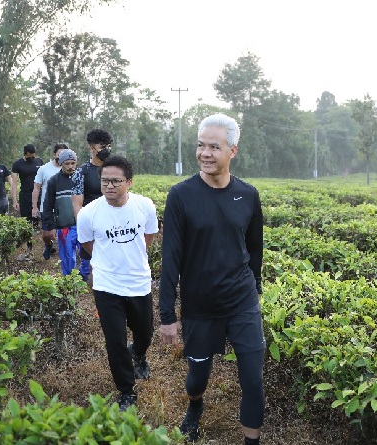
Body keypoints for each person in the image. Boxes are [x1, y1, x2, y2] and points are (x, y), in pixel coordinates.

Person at [158, 113, 265, 444]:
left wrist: (255, 290)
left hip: (241, 302)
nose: (204, 153)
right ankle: (195, 406)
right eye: (200, 145)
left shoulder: (248, 195)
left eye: (213, 147)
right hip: (199, 305)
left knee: (252, 380)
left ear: (232, 151)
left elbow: (254, 250)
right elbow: (171, 256)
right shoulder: (181, 195)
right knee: (197, 379)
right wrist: (167, 316)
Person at [76, 155, 158, 412]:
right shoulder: (89, 213)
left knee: (144, 332)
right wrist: (108, 261)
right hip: (106, 285)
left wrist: (131, 259)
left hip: (138, 282)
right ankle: (126, 391)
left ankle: (140, 353)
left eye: (115, 181)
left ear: (129, 182)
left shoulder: (145, 206)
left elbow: (149, 236)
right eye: (104, 181)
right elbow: (88, 246)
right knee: (115, 340)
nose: (109, 186)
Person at [71, 128, 113, 281]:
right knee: (92, 271)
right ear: (92, 147)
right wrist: (83, 232)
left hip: (114, 226)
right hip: (93, 227)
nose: (106, 150)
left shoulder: (114, 170)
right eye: (102, 147)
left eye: (108, 146)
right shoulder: (82, 173)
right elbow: (77, 205)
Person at [42, 149, 79, 276]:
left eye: (72, 163)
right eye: (67, 163)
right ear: (61, 164)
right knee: (67, 255)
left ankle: (85, 280)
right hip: (64, 226)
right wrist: (51, 226)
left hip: (82, 225)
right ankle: (68, 280)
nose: (70, 166)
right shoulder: (54, 181)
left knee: (86, 255)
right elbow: (47, 206)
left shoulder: (81, 178)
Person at [32, 143, 64, 260]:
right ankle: (48, 244)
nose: (61, 156)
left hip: (63, 208)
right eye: (59, 153)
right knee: (46, 235)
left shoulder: (68, 169)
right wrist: (34, 207)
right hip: (46, 207)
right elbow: (36, 188)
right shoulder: (44, 169)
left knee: (61, 233)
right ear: (54, 154)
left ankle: (63, 252)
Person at [12, 144, 44, 260]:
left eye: (34, 154)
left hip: (39, 195)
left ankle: (47, 245)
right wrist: (15, 200)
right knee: (27, 223)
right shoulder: (17, 164)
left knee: (41, 220)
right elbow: (14, 184)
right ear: (25, 153)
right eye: (31, 155)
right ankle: (29, 248)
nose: (33, 157)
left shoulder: (39, 161)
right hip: (25, 195)